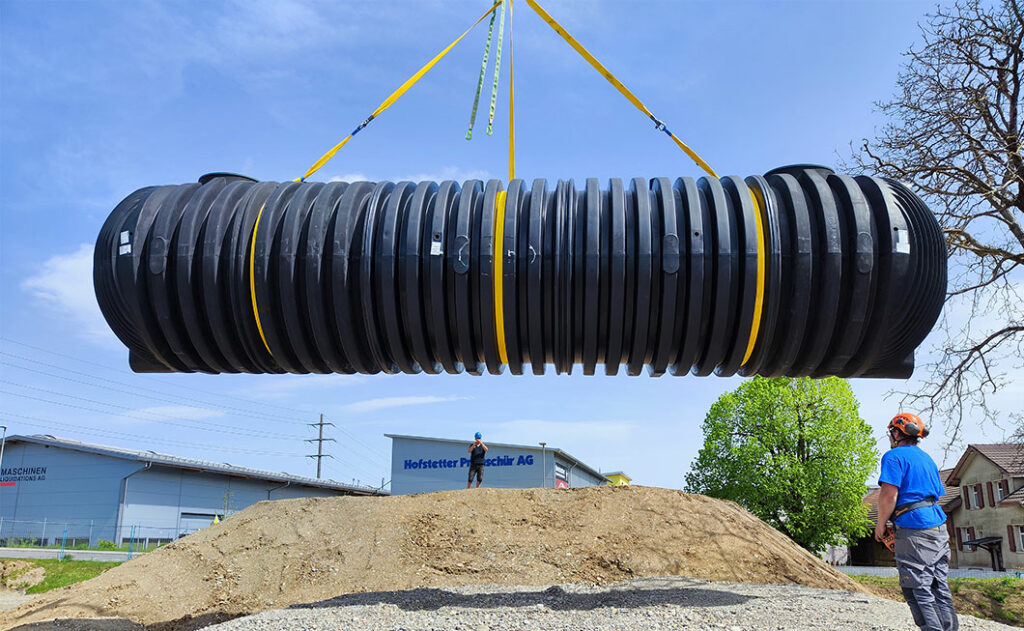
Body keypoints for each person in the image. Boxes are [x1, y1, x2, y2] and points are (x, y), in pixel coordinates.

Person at [874, 413, 958, 631]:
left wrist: (881, 523)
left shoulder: (893, 457)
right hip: (938, 526)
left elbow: (888, 495)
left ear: (896, 432)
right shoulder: (927, 458)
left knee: (917, 586)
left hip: (914, 529)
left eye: (891, 432)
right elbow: (937, 493)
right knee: (938, 585)